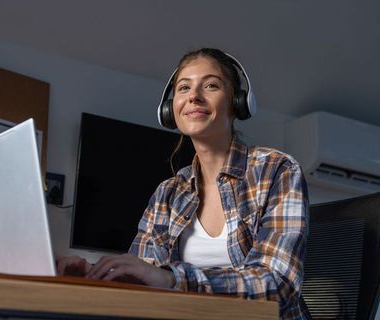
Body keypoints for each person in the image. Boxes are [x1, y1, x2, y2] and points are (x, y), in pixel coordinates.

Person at [57, 48, 310, 319]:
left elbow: (277, 284)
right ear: (170, 110)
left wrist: (171, 279)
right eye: (184, 87)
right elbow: (141, 272)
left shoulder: (276, 170)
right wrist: (94, 273)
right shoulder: (168, 193)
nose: (194, 96)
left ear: (237, 103)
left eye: (211, 85)